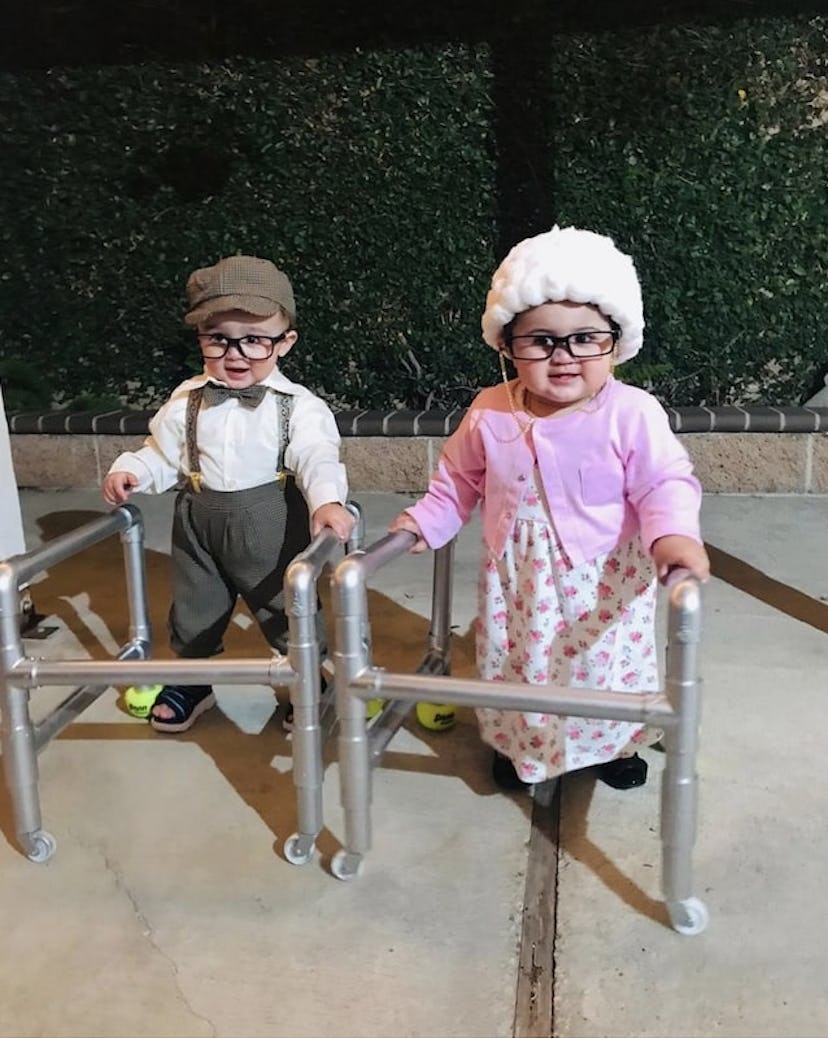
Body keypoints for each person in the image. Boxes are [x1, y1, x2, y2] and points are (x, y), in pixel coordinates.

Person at [390, 226, 710, 791]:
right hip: (517, 581)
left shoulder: (631, 412)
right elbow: (459, 480)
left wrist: (673, 536)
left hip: (601, 577)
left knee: (600, 667)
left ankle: (614, 743)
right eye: (540, 341)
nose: (563, 357)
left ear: (617, 339)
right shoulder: (491, 409)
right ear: (507, 345)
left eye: (586, 338)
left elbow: (664, 481)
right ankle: (525, 748)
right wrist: (426, 523)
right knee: (523, 662)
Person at [103, 254, 355, 733]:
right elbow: (162, 452)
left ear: (285, 342)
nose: (235, 353)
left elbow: (318, 456)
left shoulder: (298, 407)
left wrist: (326, 500)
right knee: (195, 607)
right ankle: (194, 682)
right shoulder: (188, 399)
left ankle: (308, 680)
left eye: (254, 340)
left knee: (286, 607)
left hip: (272, 524)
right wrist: (133, 469)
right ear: (201, 338)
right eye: (219, 339)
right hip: (198, 524)